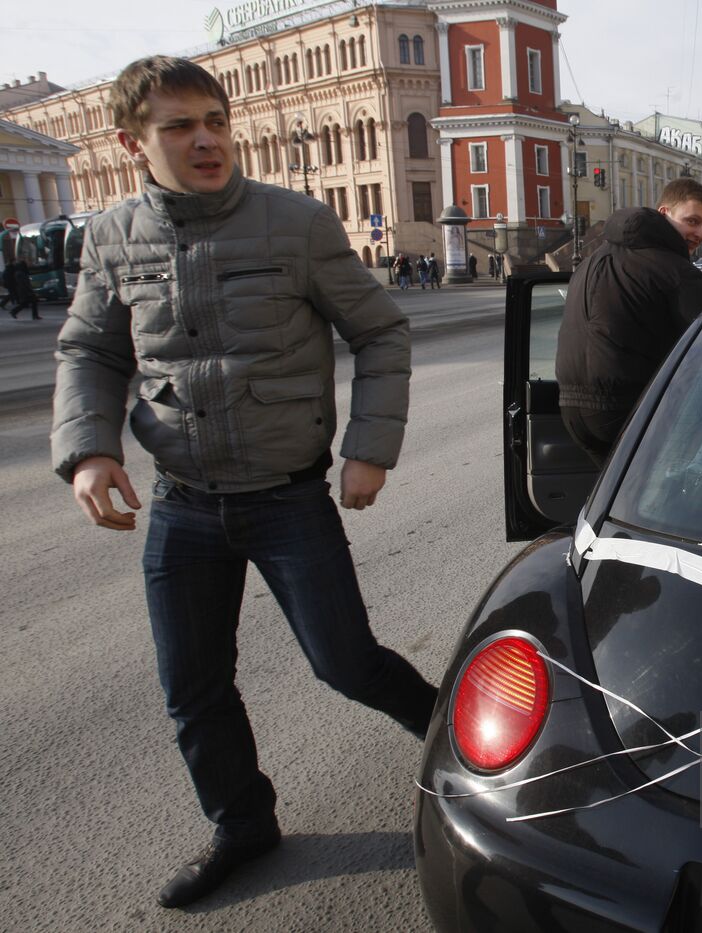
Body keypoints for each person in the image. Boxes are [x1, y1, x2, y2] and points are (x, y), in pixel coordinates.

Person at [49, 56, 435, 910]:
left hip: (287, 497)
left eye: (214, 120)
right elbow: (91, 350)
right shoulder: (111, 237)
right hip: (183, 505)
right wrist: (87, 449)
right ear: (132, 142)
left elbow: (380, 333)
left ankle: (464, 753)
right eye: (179, 126)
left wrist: (370, 446)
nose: (205, 139)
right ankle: (242, 826)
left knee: (346, 662)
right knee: (193, 686)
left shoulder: (295, 222)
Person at [556, 177, 702, 465]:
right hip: (625, 409)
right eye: (692, 221)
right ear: (663, 213)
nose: (699, 233)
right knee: (673, 493)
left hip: (571, 410)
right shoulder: (667, 266)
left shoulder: (593, 260)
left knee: (613, 500)